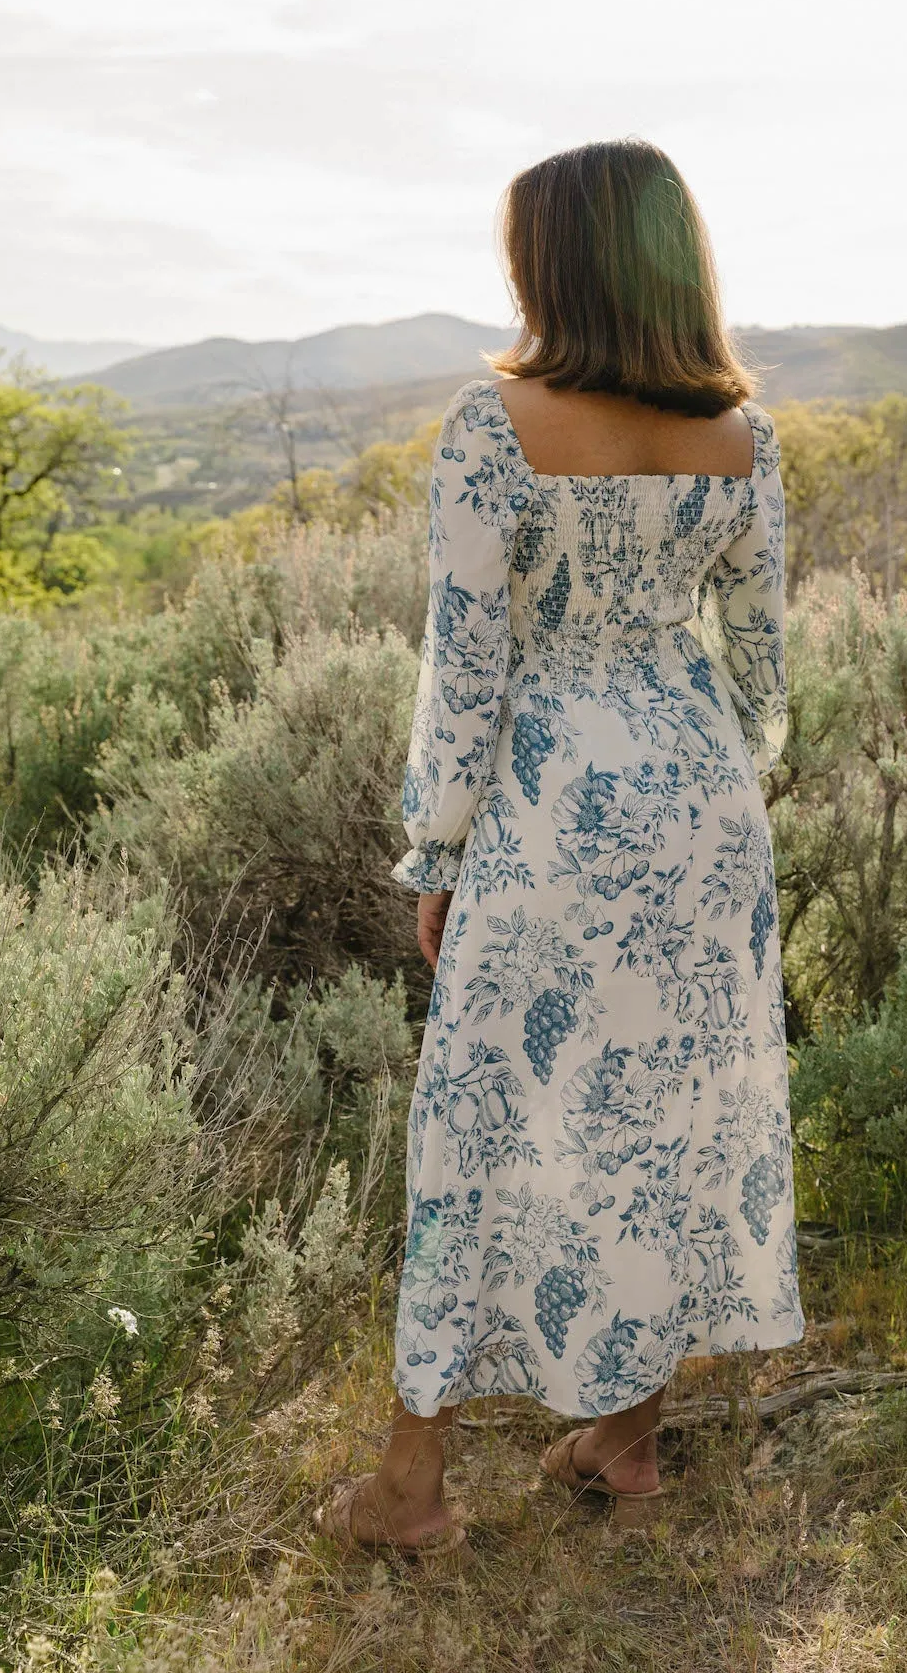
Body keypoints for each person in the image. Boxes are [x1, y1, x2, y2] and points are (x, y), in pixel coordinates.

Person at [315, 138, 803, 1562]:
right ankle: (624, 1443)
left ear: (556, 262)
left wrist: (438, 854)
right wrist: (728, 782)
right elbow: (765, 660)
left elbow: (463, 665)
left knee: (481, 1121)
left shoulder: (495, 423)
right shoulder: (742, 437)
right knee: (672, 1109)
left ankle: (412, 1498)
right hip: (703, 793)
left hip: (549, 799)